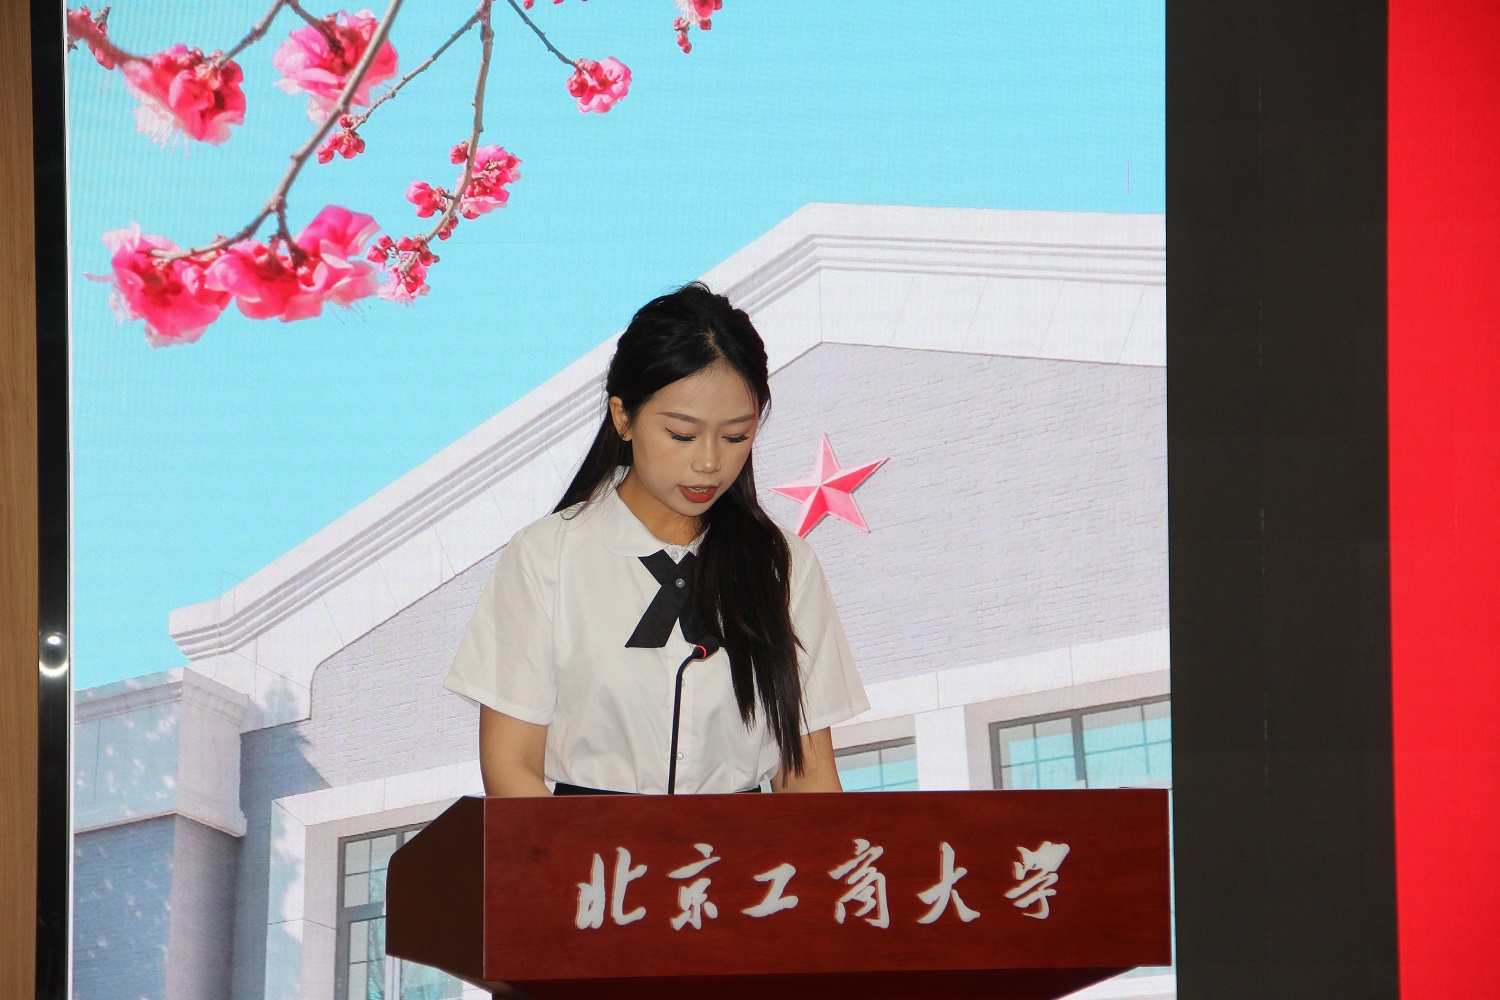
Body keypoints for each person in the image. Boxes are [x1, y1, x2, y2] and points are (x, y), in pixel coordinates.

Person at [443, 282, 870, 796]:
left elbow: (810, 776)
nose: (709, 462)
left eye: (736, 436)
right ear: (623, 416)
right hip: (586, 845)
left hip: (746, 847)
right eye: (682, 435)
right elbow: (511, 768)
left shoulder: (784, 565)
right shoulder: (545, 558)